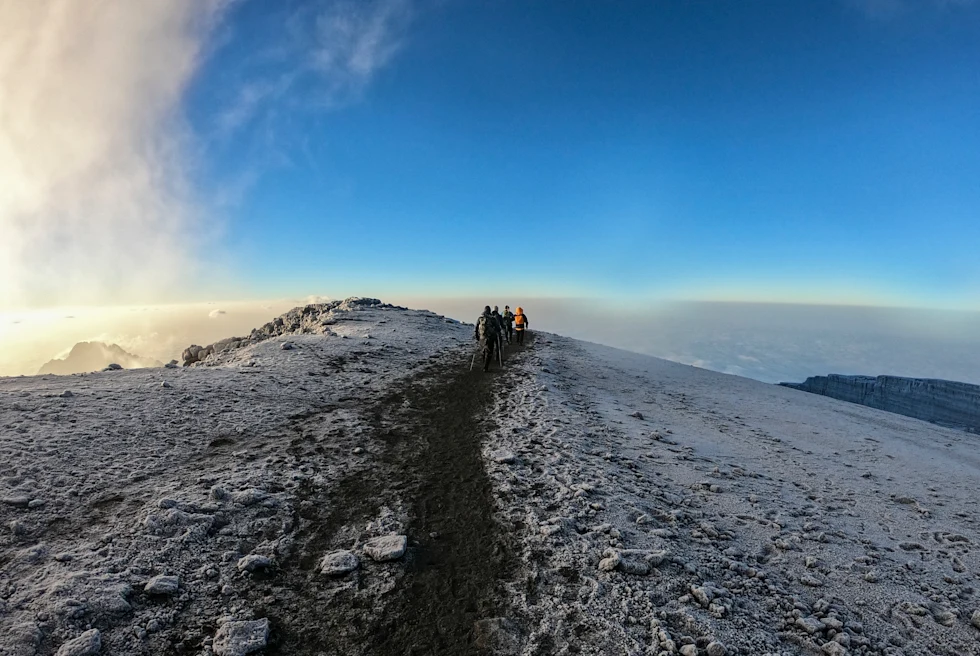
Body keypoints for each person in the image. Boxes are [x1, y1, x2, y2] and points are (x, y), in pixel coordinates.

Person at [474, 305, 500, 371]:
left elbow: (476, 327)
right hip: (490, 338)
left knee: (483, 350)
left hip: (482, 337)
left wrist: (477, 336)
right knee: (489, 352)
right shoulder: (492, 318)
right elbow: (498, 328)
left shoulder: (480, 318)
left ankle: (484, 363)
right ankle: (486, 367)